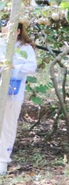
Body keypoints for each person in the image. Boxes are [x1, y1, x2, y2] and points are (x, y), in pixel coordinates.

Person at [0, 18, 37, 175]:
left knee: (8, 126)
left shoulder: (25, 48)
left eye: (11, 28)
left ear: (18, 31)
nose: (6, 31)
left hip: (13, 92)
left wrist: (14, 67)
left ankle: (2, 161)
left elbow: (31, 66)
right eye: (4, 28)